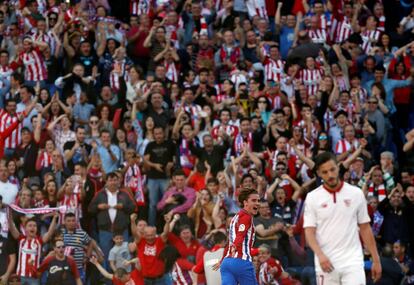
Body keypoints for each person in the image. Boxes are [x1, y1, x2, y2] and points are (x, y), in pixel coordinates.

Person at [303, 152, 382, 284]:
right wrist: (320, 255)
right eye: (325, 172)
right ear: (319, 174)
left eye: (332, 169)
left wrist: (376, 259)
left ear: (338, 167)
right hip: (325, 262)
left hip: (353, 262)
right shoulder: (312, 197)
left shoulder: (356, 193)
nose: (330, 175)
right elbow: (309, 232)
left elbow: (365, 228)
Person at [215, 188, 260, 285]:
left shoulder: (235, 217)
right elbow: (240, 235)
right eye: (254, 200)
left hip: (226, 263)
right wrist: (236, 245)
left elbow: (230, 243)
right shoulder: (246, 217)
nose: (257, 203)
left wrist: (222, 260)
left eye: (258, 200)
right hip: (241, 262)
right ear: (245, 202)